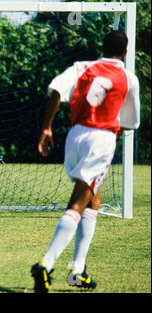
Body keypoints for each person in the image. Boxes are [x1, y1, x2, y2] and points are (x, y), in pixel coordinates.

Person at [31, 30, 140, 293]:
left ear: (101, 47)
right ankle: (45, 264)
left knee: (94, 200)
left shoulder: (82, 66)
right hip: (100, 139)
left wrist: (47, 127)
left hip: (74, 136)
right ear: (125, 52)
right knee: (78, 204)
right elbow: (130, 124)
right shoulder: (128, 77)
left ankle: (77, 271)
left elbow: (57, 89)